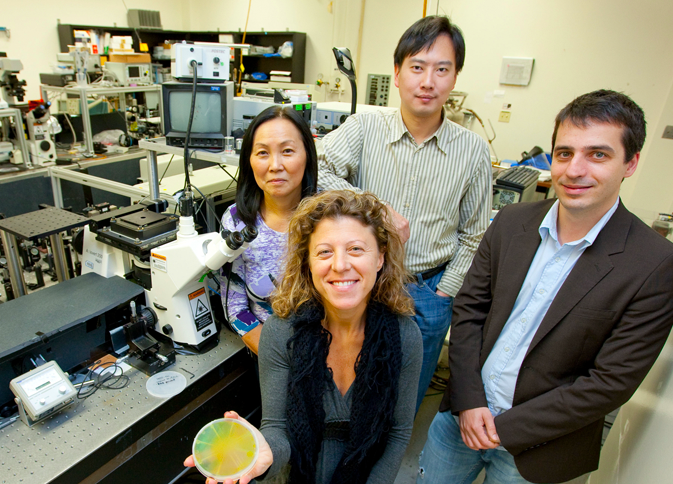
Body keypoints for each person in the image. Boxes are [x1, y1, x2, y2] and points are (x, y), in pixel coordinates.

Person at [418, 89, 673, 484]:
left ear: (631, 162)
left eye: (598, 154)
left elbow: (610, 382)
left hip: (538, 449)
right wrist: (469, 403)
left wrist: (504, 430)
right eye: (565, 153)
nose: (575, 170)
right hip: (460, 421)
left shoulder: (654, 263)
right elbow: (469, 311)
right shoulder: (510, 223)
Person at [186, 190, 423, 483]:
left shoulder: (404, 336)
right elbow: (277, 428)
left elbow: (398, 434)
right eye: (324, 251)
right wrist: (263, 451)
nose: (340, 265)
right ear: (308, 264)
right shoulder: (281, 332)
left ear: (380, 259)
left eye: (356, 249)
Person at [317, 15, 492, 410]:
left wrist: (444, 292)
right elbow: (318, 169)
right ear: (397, 74)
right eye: (417, 67)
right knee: (349, 383)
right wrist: (374, 208)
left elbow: (476, 234)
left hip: (427, 290)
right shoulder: (365, 127)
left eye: (441, 69)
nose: (427, 82)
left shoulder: (474, 151)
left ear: (455, 77)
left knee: (403, 397)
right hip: (361, 282)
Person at [220, 105, 318, 354]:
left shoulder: (329, 216)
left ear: (307, 155)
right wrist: (277, 358)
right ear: (249, 161)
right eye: (263, 153)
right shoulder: (236, 222)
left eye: (287, 151)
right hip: (268, 350)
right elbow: (236, 308)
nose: (275, 165)